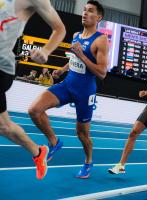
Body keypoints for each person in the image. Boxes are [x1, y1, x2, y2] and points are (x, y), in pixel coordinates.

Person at [28, 0, 108, 179]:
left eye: (90, 11)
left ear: (99, 17)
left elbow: (102, 72)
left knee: (82, 134)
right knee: (34, 110)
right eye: (84, 10)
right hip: (68, 84)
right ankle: (54, 142)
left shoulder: (101, 40)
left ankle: (88, 161)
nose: (85, 13)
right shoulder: (76, 35)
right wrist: (63, 70)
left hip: (85, 92)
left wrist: (81, 55)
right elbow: (73, 58)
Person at [0, 0, 66, 179]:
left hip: (1, 68)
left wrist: (46, 50)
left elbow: (60, 29)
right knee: (4, 126)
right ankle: (38, 152)